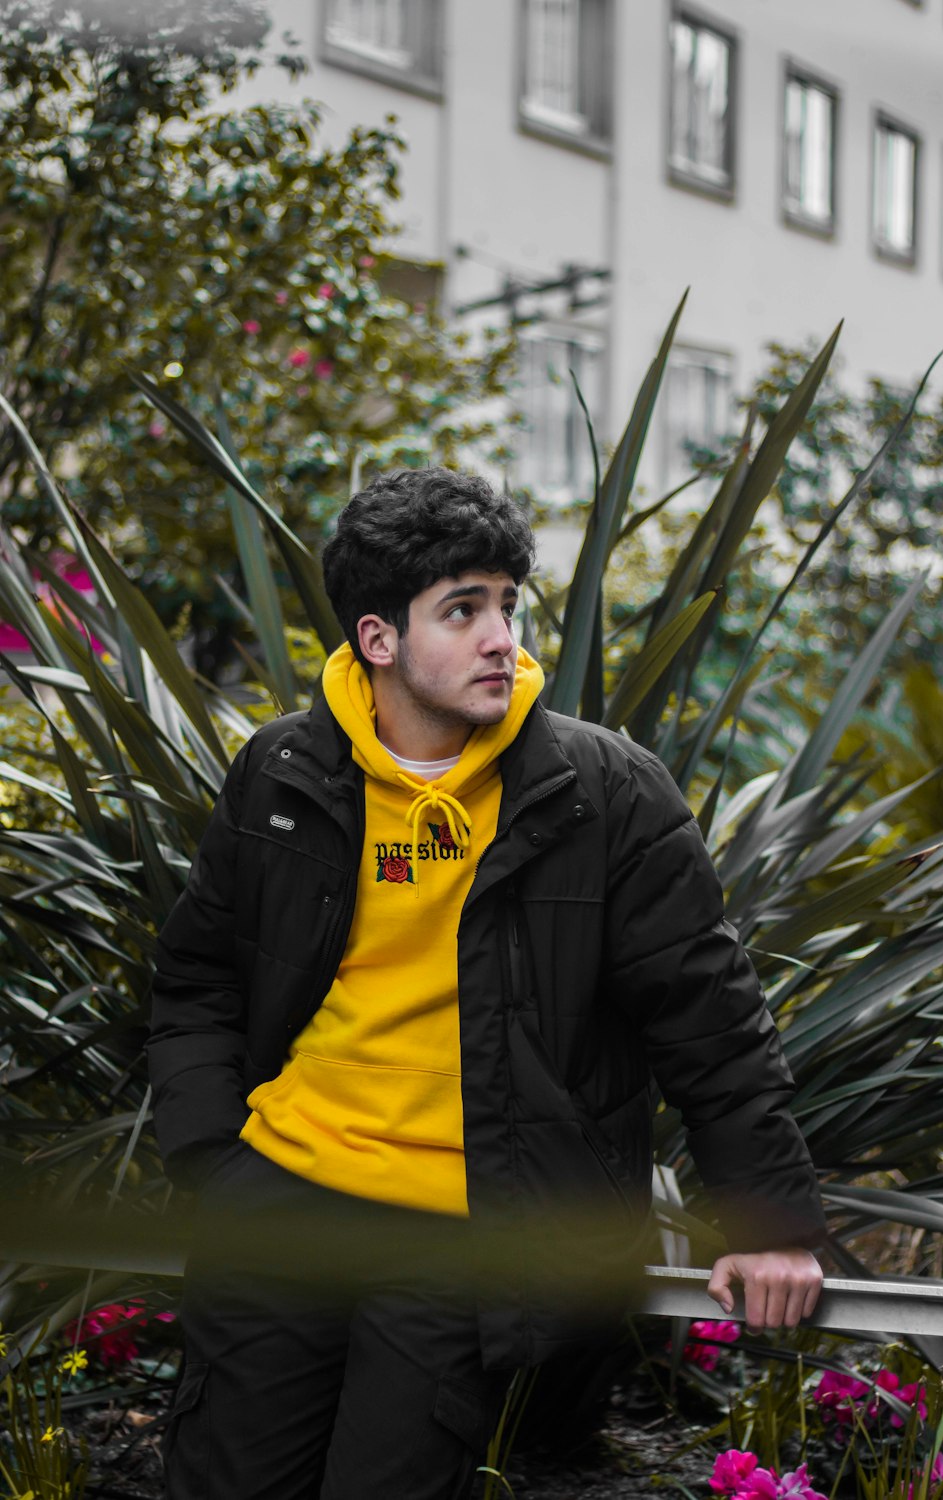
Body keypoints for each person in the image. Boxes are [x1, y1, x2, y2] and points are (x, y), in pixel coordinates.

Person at [148, 467, 825, 1500]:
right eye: (461, 610)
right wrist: (213, 1158)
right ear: (378, 639)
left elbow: (711, 1022)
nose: (502, 636)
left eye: (506, 603)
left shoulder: (602, 795)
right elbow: (198, 974)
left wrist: (770, 1225)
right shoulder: (282, 770)